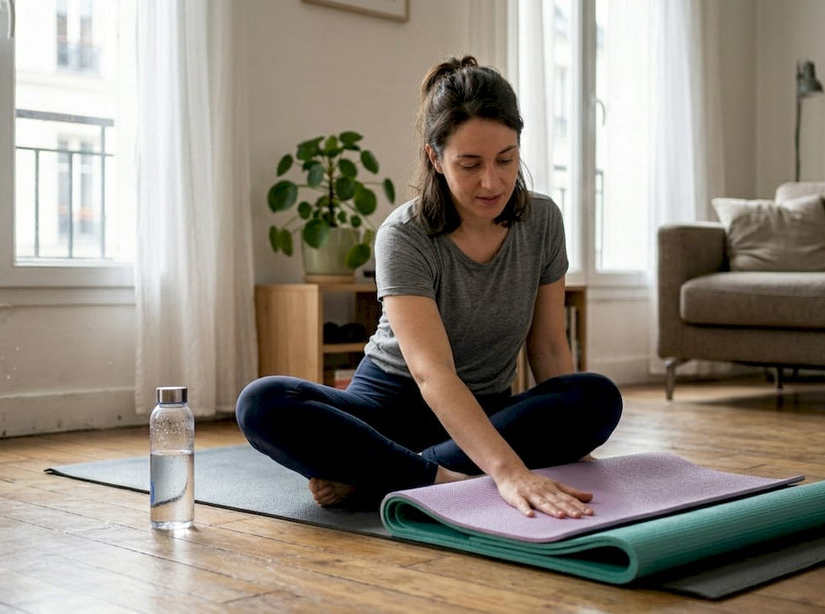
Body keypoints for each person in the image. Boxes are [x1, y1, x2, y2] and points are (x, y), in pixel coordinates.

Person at [236, 56, 622, 519]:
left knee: (594, 396)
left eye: (506, 159)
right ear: (435, 158)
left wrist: (570, 437)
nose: (492, 181)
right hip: (389, 408)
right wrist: (510, 471)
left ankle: (377, 476)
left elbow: (549, 346)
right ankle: (439, 479)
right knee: (262, 403)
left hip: (486, 416)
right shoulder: (404, 235)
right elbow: (431, 373)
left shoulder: (542, 221)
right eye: (470, 164)